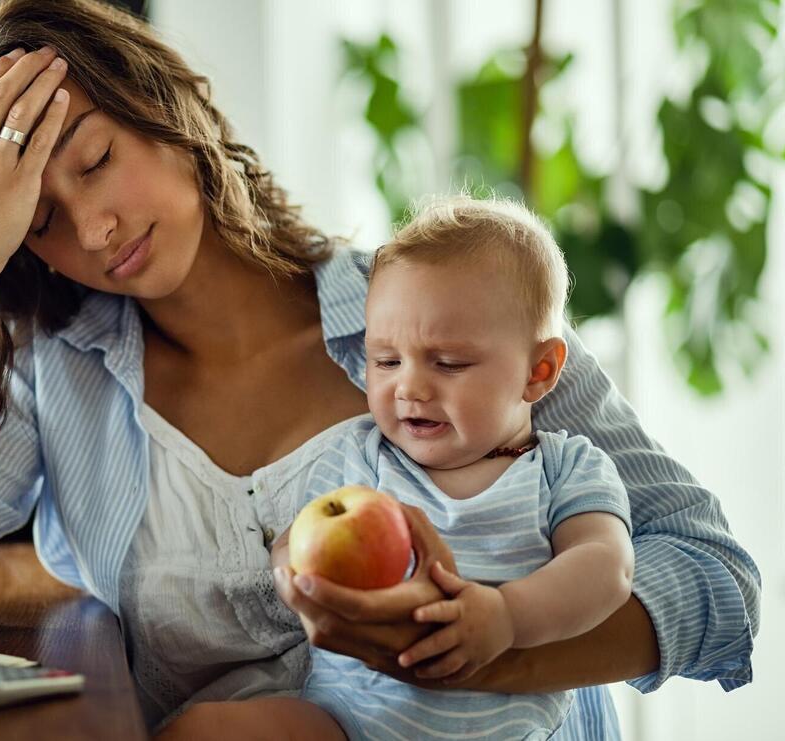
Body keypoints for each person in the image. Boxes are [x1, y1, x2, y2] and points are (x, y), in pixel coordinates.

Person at [0, 1, 760, 738]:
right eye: (37, 222)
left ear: (168, 109)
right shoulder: (60, 377)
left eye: (97, 160)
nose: (94, 229)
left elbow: (716, 578)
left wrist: (482, 643)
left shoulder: (447, 320)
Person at [237, 196, 634, 739]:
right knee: (213, 726)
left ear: (538, 371)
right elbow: (292, 539)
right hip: (346, 722)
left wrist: (507, 616)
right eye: (386, 361)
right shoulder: (358, 455)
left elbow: (605, 567)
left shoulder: (564, 468)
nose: (410, 387)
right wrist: (299, 582)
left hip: (505, 730)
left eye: (448, 363)